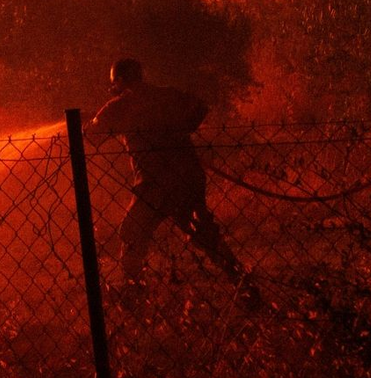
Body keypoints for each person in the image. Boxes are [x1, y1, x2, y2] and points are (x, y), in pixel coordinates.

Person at [88, 57, 259, 306]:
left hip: (153, 184)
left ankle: (134, 294)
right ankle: (243, 284)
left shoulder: (119, 106)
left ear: (121, 81)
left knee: (132, 232)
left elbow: (92, 137)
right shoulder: (167, 95)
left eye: (115, 83)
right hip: (187, 175)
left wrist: (89, 122)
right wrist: (179, 131)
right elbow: (200, 108)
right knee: (203, 232)